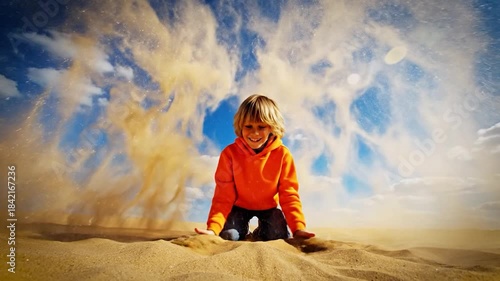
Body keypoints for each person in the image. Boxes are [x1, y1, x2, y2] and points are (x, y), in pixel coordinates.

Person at [195, 94, 315, 241]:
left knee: (278, 236)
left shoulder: (283, 155)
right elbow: (223, 195)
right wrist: (213, 229)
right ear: (240, 126)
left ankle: (260, 232)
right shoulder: (230, 154)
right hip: (239, 207)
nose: (254, 132)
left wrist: (298, 228)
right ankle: (242, 230)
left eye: (261, 127)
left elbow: (289, 194)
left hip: (269, 208)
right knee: (228, 236)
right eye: (248, 126)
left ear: (272, 127)